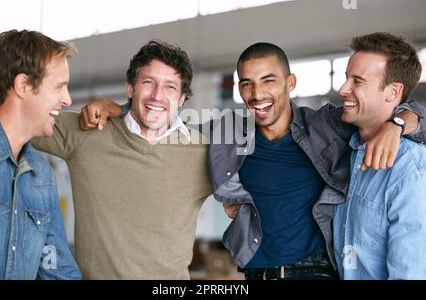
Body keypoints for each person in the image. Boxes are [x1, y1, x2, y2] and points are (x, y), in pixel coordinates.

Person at [81, 38, 426, 280]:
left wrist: (399, 122)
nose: (257, 94)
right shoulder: (227, 132)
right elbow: (170, 127)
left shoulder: (327, 125)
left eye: (268, 80)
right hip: (252, 274)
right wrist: (122, 109)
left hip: (312, 271)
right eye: (246, 84)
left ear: (290, 82)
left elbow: (407, 116)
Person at [0, 37, 211, 279]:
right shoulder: (86, 131)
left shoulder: (205, 153)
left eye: (170, 87)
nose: (157, 96)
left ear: (182, 98)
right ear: (130, 87)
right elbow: (7, 117)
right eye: (148, 82)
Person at [0, 30, 81, 279]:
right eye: (59, 87)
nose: (67, 99)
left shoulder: (41, 176)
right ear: (23, 85)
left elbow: (59, 272)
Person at [333, 32, 426, 279]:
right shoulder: (344, 148)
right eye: (345, 78)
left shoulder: (411, 169)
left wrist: (396, 124)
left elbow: (409, 274)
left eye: (357, 81)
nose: (343, 89)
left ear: (393, 92)